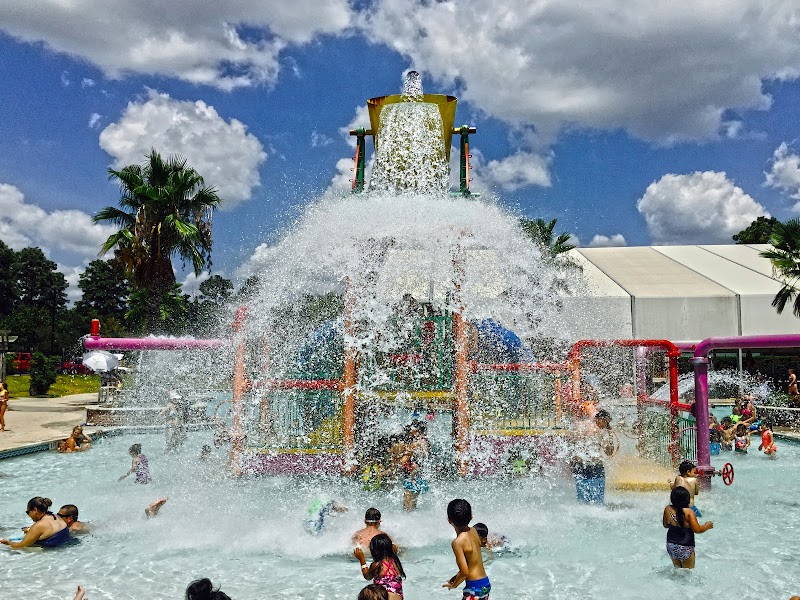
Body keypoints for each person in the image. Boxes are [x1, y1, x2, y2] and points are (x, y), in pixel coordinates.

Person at [443, 499, 490, 599]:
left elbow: (465, 572)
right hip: (485, 583)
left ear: (449, 521)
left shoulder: (457, 542)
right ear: (471, 517)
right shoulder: (474, 531)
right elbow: (472, 562)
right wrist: (456, 577)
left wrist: (454, 585)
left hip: (474, 587)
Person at [569, 408, 616, 504]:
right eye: (606, 422)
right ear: (600, 419)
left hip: (578, 465)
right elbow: (609, 452)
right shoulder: (600, 431)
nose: (607, 425)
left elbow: (570, 443)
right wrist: (610, 435)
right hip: (595, 466)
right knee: (597, 501)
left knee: (582, 499)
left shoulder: (580, 426)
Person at [662, 486, 713, 568]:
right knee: (687, 574)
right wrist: (707, 526)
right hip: (686, 547)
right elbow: (697, 530)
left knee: (677, 571)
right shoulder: (689, 512)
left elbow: (665, 525)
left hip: (671, 545)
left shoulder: (668, 509)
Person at [0, 496, 71, 549]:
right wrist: (30, 530)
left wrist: (7, 543)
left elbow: (21, 546)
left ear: (35, 510)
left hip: (49, 554)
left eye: (28, 512)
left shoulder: (39, 526)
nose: (29, 515)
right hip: (64, 549)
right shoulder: (56, 517)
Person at [354, 533, 405, 600]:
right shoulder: (395, 562)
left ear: (374, 550)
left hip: (383, 597)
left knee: (367, 592)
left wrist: (362, 559)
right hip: (398, 597)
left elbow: (367, 577)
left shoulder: (377, 565)